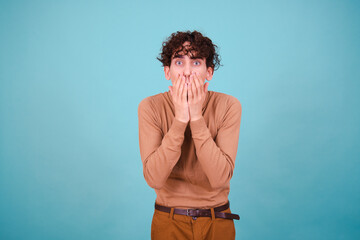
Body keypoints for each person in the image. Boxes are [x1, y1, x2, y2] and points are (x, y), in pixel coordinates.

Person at [137, 30, 242, 240]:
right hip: (168, 222)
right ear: (167, 72)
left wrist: (196, 117)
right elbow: (154, 178)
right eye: (178, 62)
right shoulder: (150, 107)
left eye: (195, 63)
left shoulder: (229, 106)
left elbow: (220, 178)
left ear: (209, 72)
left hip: (217, 221)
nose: (186, 72)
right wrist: (180, 120)